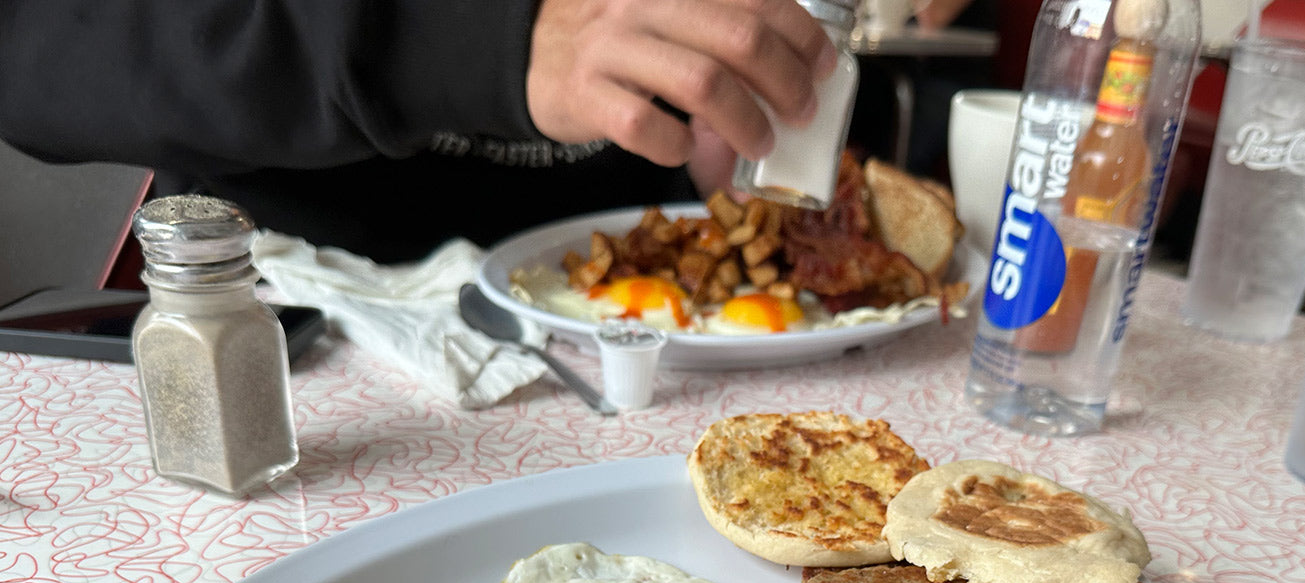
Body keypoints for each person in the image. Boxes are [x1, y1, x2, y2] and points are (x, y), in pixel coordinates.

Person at [0, 0, 836, 262]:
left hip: (650, 302)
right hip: (304, 329)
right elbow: (37, 47)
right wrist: (483, 44)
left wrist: (721, 101)